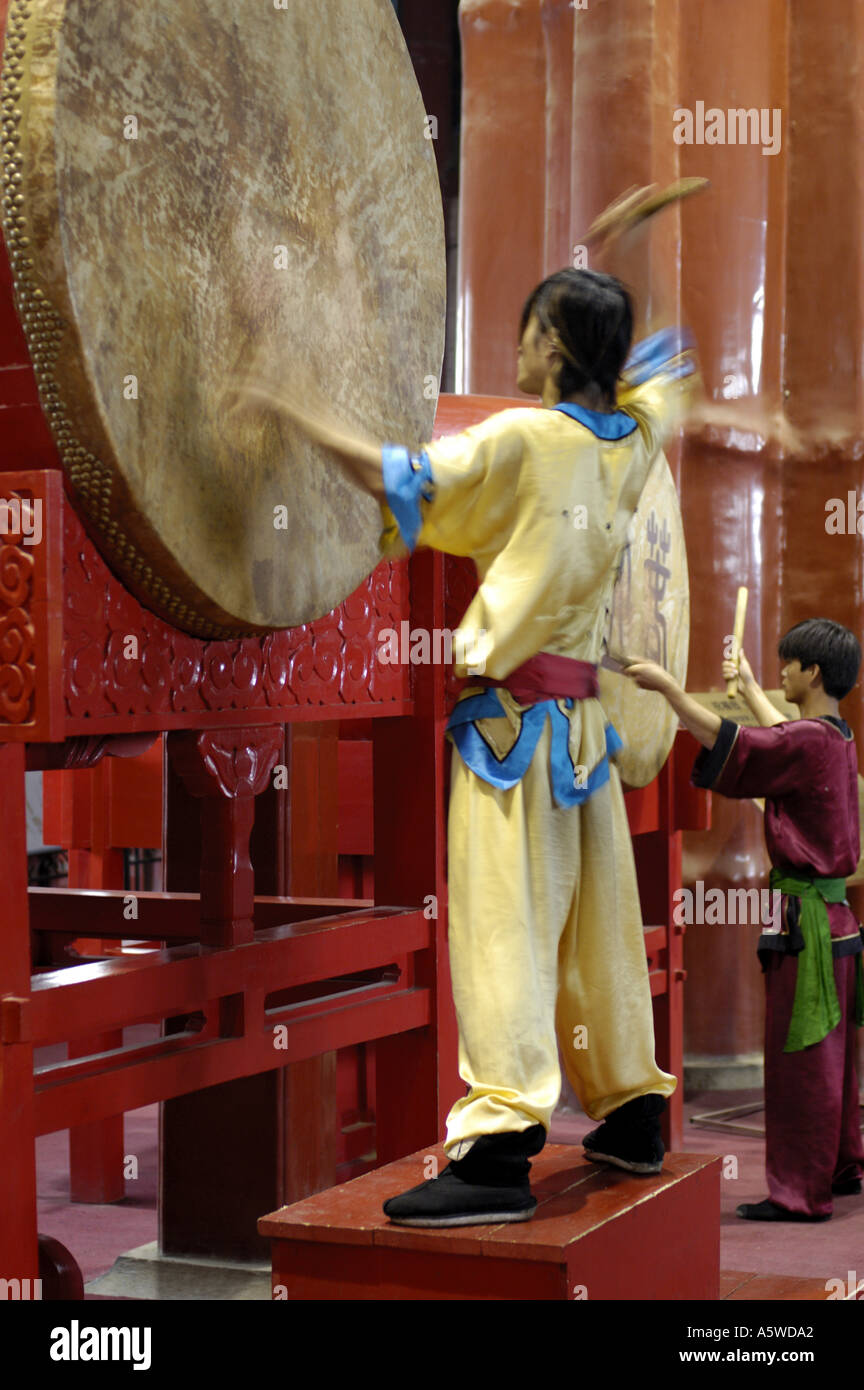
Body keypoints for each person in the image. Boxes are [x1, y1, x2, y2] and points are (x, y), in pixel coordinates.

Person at [236, 184, 700, 1227]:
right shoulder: (627, 445)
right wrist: (631, 252)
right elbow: (662, 365)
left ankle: (496, 1150)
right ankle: (631, 1112)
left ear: (547, 341)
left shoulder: (524, 440)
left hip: (508, 738)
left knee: (501, 933)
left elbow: (402, 476)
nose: (518, 346)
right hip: (580, 730)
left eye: (531, 328)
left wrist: (285, 409)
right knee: (598, 930)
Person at [626, 619, 864, 1221]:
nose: (781, 674)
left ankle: (798, 1196)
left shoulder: (807, 741)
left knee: (800, 1067)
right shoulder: (835, 736)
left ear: (812, 672)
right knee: (834, 1058)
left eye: (787, 666)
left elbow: (750, 745)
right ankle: (838, 1170)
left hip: (807, 928)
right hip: (837, 923)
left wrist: (669, 691)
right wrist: (755, 687)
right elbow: (780, 738)